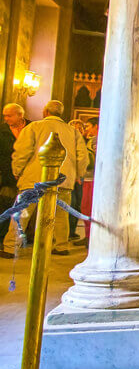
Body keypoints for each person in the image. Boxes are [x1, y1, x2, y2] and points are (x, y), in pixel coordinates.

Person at [5, 100, 89, 256]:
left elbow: (23, 151)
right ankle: (61, 246)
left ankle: (11, 247)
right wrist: (79, 173)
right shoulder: (73, 132)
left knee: (22, 213)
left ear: (45, 112)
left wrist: (17, 170)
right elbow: (82, 156)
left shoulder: (34, 127)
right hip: (63, 180)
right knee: (61, 214)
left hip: (34, 178)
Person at [0, 104, 28, 258]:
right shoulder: (2, 130)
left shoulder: (32, 127)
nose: (6, 119)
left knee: (24, 209)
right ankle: (3, 239)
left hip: (28, 175)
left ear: (19, 115)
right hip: (7, 175)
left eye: (9, 115)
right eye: (5, 115)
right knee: (6, 205)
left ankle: (21, 240)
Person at [76, 117, 99, 247]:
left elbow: (88, 160)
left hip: (92, 178)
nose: (87, 129)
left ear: (96, 126)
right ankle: (89, 235)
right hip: (93, 178)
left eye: (89, 126)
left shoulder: (94, 140)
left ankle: (90, 236)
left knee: (87, 207)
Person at [67, 119, 87, 238]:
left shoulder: (87, 142)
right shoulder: (67, 142)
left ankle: (72, 231)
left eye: (80, 128)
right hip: (70, 177)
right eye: (75, 128)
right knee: (71, 203)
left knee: (78, 204)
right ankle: (67, 231)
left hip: (81, 178)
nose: (78, 131)